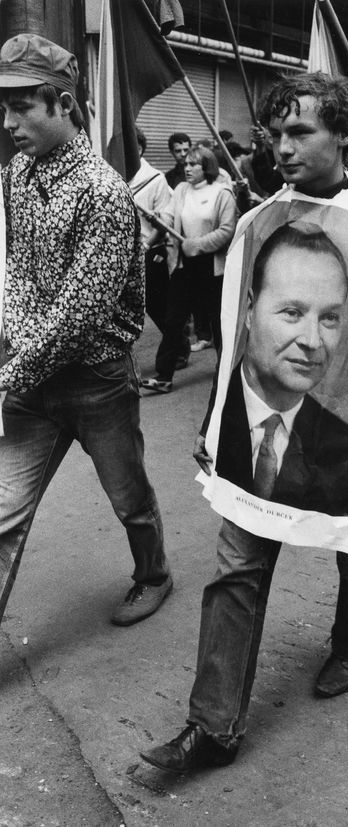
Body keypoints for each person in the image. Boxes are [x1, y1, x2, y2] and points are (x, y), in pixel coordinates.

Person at [140, 71, 348, 774]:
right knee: (237, 563)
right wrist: (215, 426)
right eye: (276, 134)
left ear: (345, 135)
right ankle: (213, 726)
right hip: (256, 440)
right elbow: (234, 339)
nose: (283, 147)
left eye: (300, 131)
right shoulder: (257, 222)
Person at [0, 34, 172, 626]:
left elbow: (79, 318)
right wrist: (13, 344)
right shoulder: (16, 176)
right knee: (3, 512)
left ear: (65, 104)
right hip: (31, 381)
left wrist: (11, 369)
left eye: (22, 106)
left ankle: (154, 575)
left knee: (129, 498)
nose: (9, 122)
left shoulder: (103, 193)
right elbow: (17, 269)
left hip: (96, 381)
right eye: (4, 108)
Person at [215, 222, 348, 516]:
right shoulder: (220, 417)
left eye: (330, 318)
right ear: (249, 309)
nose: (312, 341)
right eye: (292, 313)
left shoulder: (347, 450)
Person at [141, 147, 237, 393]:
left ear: (207, 166)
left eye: (194, 164)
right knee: (173, 320)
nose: (187, 168)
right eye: (186, 164)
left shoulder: (222, 193)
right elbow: (169, 219)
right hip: (184, 266)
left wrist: (198, 245)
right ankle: (163, 376)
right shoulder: (182, 190)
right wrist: (157, 222)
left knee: (218, 323)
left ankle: (229, 373)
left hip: (212, 269)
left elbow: (227, 230)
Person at [129, 128, 172, 337]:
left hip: (150, 250)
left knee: (157, 305)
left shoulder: (155, 179)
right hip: (123, 253)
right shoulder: (113, 175)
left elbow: (164, 221)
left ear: (138, 148)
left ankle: (178, 347)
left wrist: (146, 246)